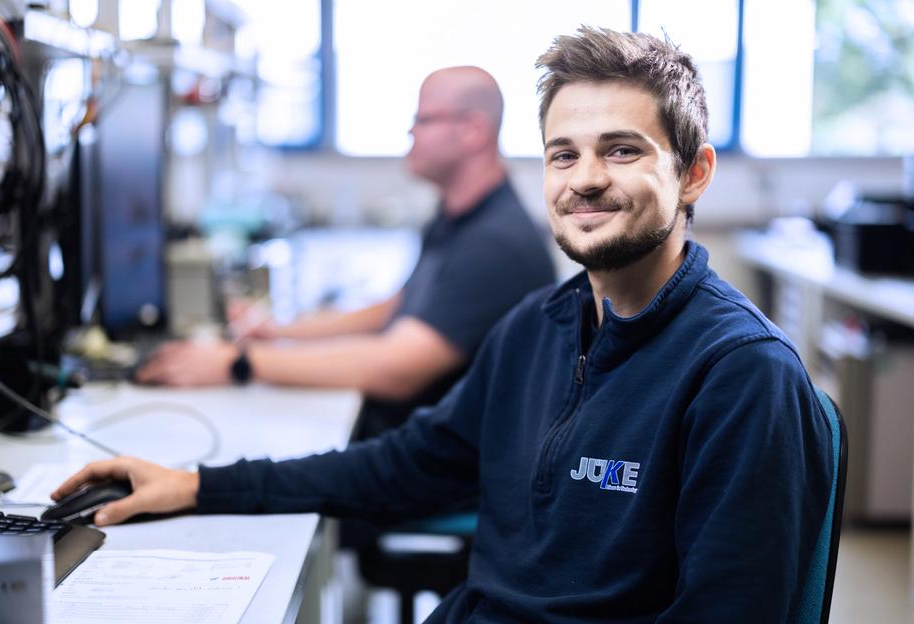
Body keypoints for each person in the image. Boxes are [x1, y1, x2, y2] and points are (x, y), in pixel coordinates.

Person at [54, 28, 833, 622]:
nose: (586, 179)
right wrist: (196, 485)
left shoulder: (741, 377)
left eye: (622, 150)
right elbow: (404, 465)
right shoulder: (539, 329)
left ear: (694, 171)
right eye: (563, 155)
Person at [136, 66, 557, 437]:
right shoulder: (459, 216)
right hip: (422, 431)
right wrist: (279, 331)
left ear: (473, 131)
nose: (410, 132)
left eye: (422, 119)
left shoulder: (494, 244)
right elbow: (399, 307)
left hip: (454, 459)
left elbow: (397, 369)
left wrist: (240, 362)